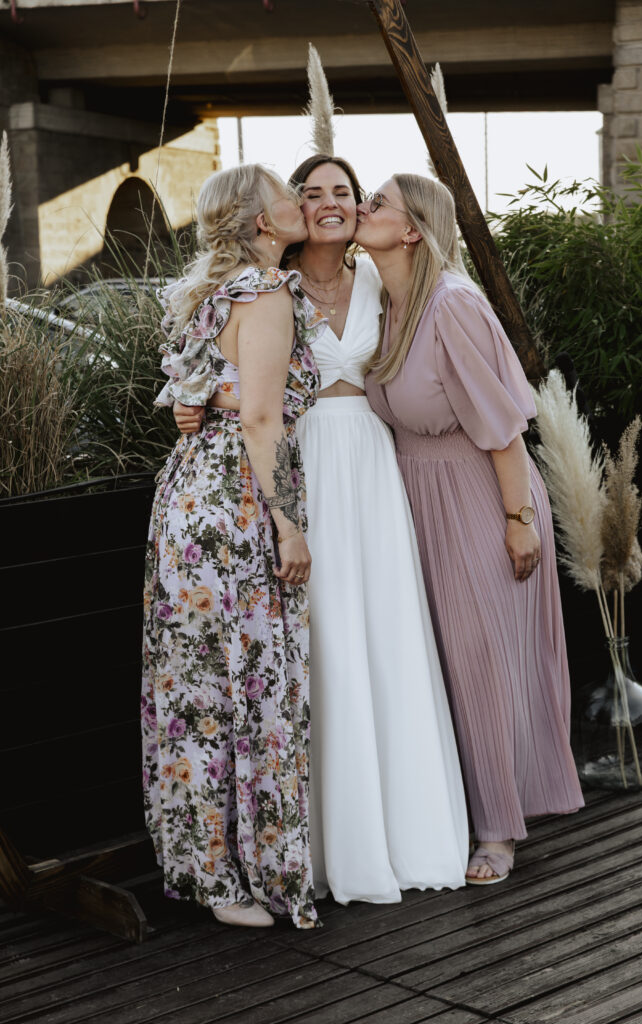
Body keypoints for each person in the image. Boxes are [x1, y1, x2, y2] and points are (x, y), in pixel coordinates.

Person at [176, 155, 469, 905]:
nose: (330, 203)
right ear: (290, 212)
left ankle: (406, 831)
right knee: (317, 638)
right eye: (311, 193)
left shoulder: (382, 281)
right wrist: (189, 400)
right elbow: (212, 364)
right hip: (298, 463)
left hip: (372, 468)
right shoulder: (269, 283)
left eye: (344, 191)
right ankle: (320, 844)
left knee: (385, 632)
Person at [357, 174, 585, 885]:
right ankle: (462, 811)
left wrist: (518, 522)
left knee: (483, 660)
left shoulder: (451, 304)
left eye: (376, 203)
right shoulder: (385, 303)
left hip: (480, 494)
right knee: (443, 662)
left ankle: (497, 831)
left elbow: (504, 430)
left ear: (412, 230)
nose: (361, 207)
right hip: (416, 498)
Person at [141, 164, 326, 929]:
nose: (301, 204)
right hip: (236, 506)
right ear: (260, 221)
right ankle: (240, 877)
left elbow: (203, 391)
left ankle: (209, 871)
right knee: (247, 683)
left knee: (198, 688)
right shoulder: (268, 292)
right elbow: (260, 418)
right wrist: (288, 522)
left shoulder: (212, 293)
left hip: (186, 499)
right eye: (288, 196)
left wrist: (201, 401)